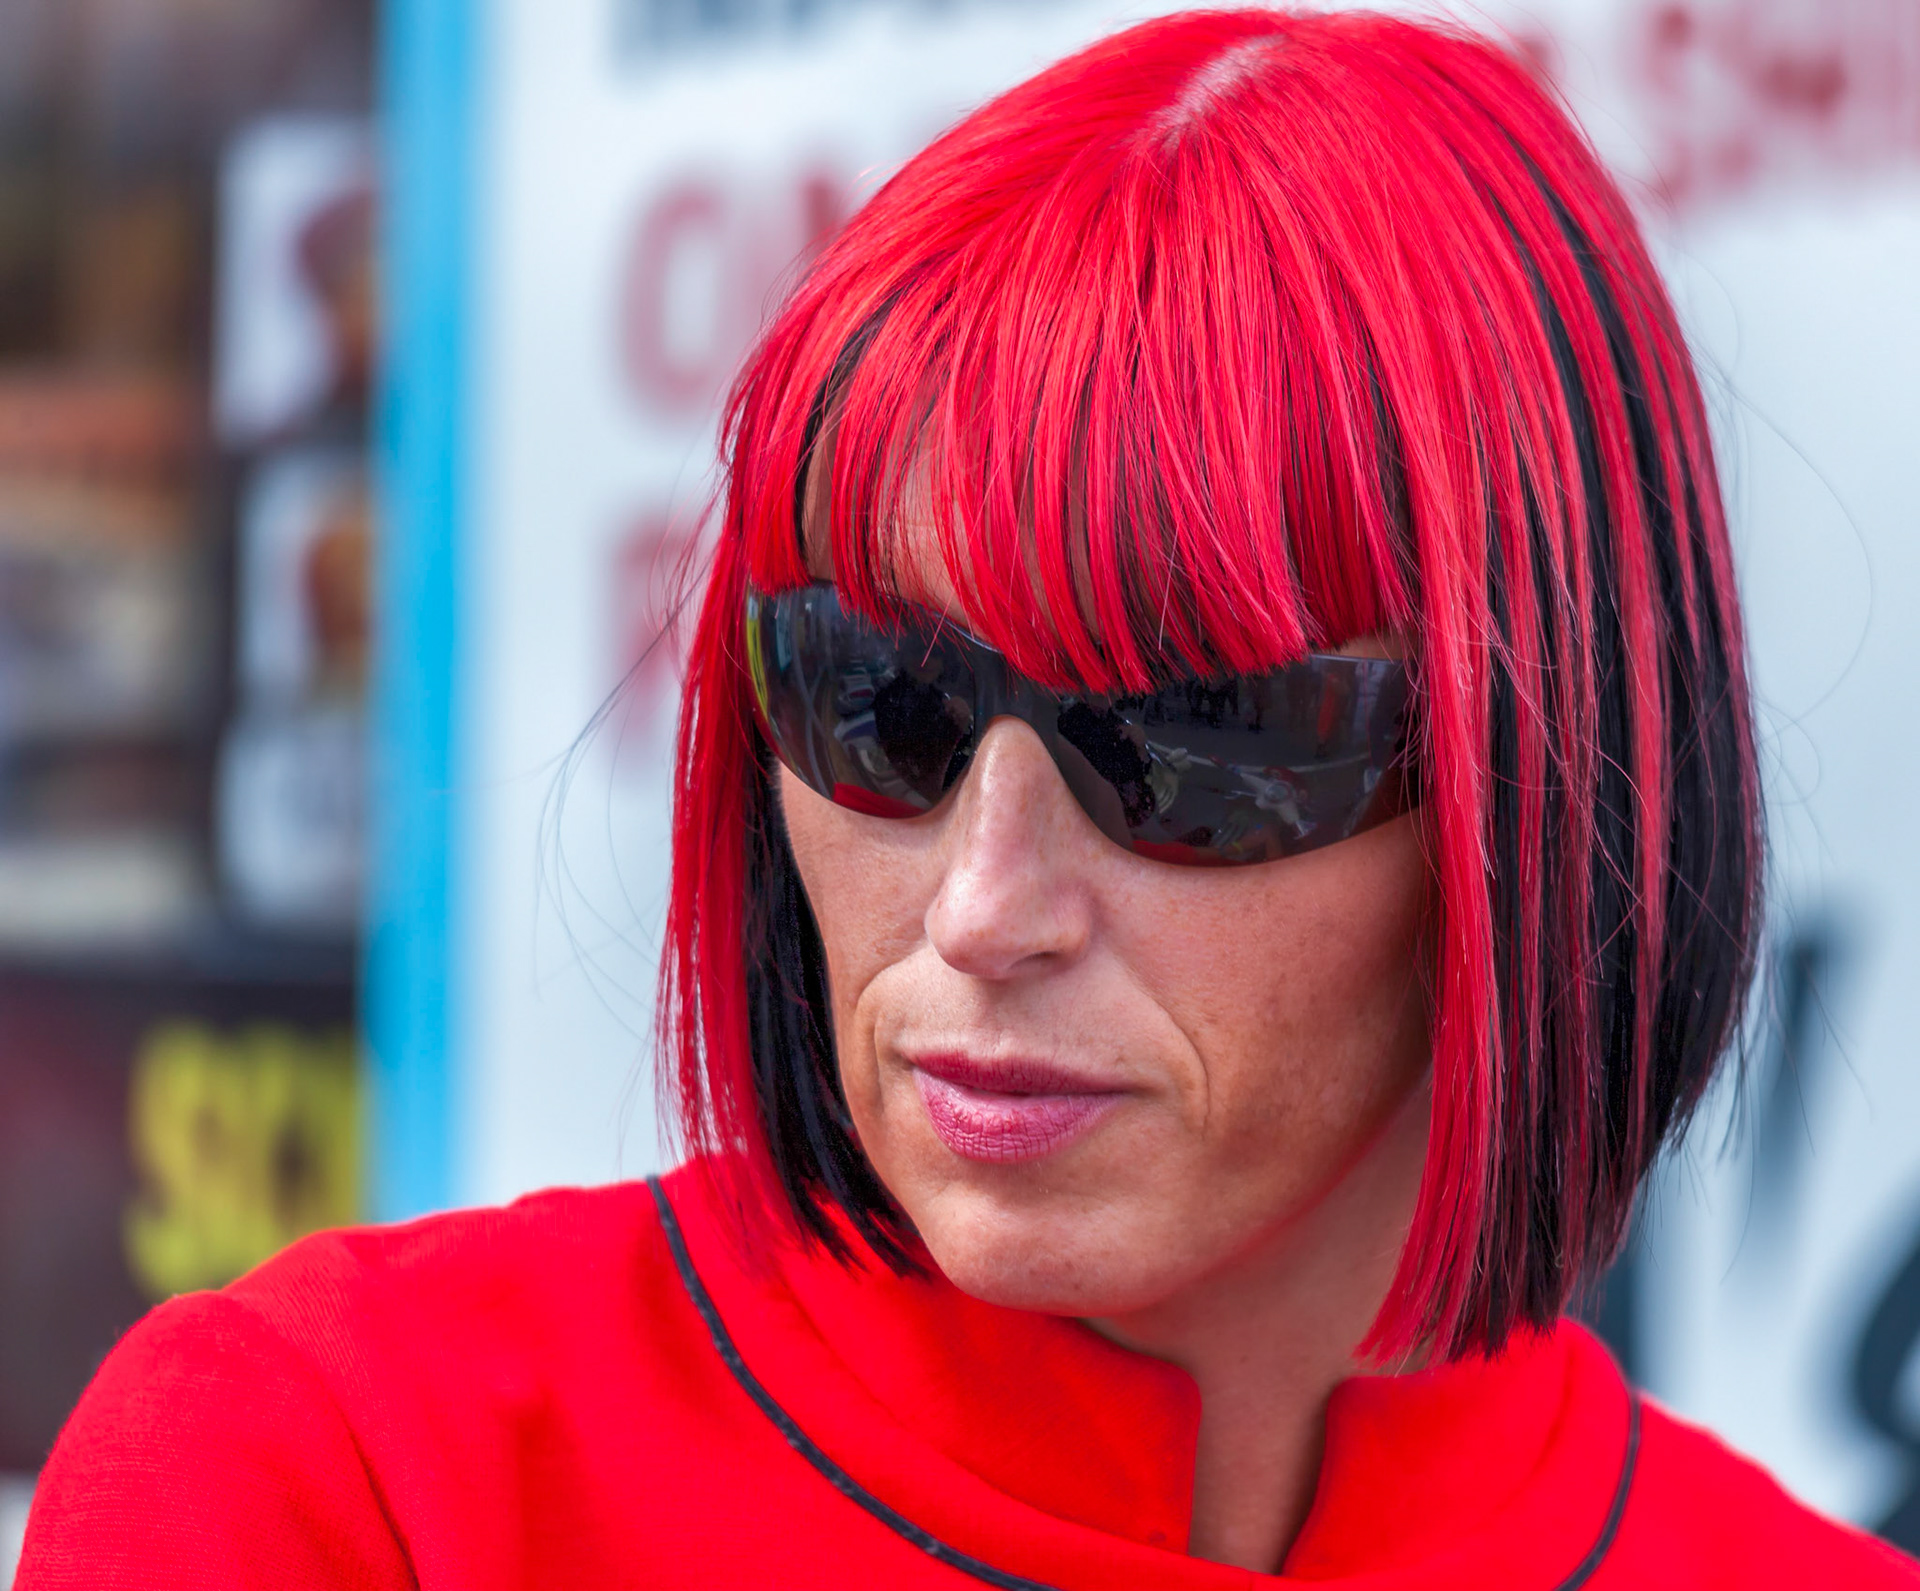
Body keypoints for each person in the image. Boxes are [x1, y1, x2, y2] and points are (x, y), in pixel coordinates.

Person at [18, 10, 1918, 1587]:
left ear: (1541, 777)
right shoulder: (343, 1482)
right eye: (880, 705)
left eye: (1201, 733)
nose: (984, 907)